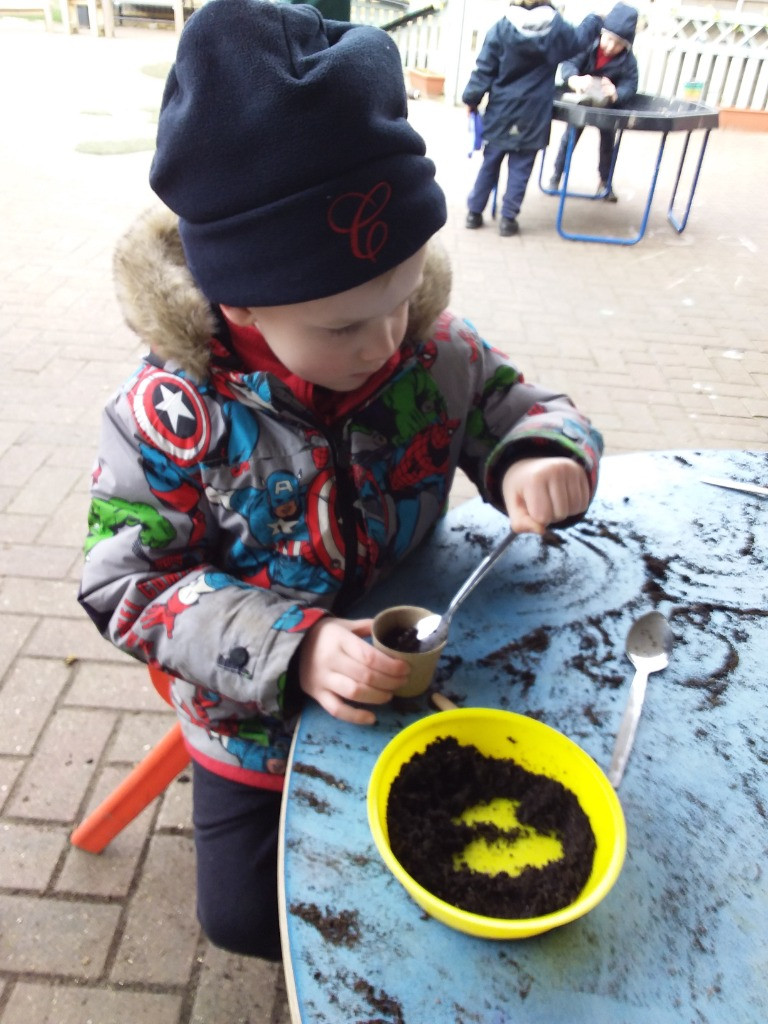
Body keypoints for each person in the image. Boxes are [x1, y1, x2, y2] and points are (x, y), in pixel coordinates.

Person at [79, 0, 603, 961]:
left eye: (402, 297)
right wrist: (297, 648)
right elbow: (128, 583)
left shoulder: (430, 349)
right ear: (237, 297)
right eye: (341, 326)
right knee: (246, 919)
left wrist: (541, 453)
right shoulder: (166, 419)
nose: (384, 345)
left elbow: (519, 404)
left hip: (433, 662)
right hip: (255, 709)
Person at [463, 0, 604, 238]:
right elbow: (579, 42)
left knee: (490, 163)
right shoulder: (557, 29)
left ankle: (474, 214)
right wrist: (595, 20)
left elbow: (484, 69)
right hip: (534, 113)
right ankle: (508, 219)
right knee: (521, 168)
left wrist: (472, 99)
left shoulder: (501, 28)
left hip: (502, 111)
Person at [549, 3, 639, 202]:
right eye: (609, 39)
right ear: (602, 34)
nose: (611, 47)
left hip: (607, 108)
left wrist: (616, 93)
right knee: (569, 138)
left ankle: (605, 183)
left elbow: (630, 86)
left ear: (626, 46)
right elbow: (569, 63)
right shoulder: (587, 44)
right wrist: (574, 79)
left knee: (608, 143)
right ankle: (556, 175)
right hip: (582, 101)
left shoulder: (628, 61)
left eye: (618, 44)